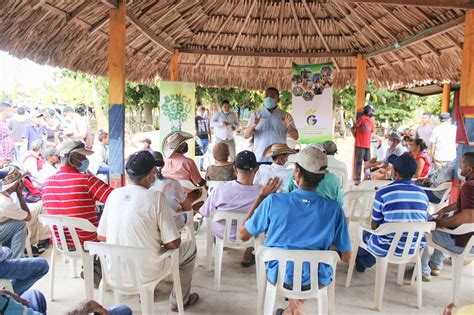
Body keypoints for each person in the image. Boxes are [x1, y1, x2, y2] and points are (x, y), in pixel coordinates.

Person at [239, 145, 351, 315]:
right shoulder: (335, 209)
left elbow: (243, 234)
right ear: (322, 177)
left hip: (279, 274)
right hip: (316, 278)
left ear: (297, 173)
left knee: (288, 264)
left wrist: (261, 197)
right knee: (308, 269)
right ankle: (292, 310)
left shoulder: (273, 202)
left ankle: (291, 311)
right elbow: (347, 257)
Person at [98, 151, 200, 312]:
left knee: (145, 245)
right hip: (146, 271)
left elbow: (101, 235)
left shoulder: (113, 195)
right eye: (153, 172)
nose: (155, 175)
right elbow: (173, 243)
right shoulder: (156, 198)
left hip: (115, 270)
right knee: (190, 249)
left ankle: (145, 292)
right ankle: (179, 299)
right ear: (149, 177)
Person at [355, 153, 429, 272]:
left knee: (365, 232)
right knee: (384, 234)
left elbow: (375, 226)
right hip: (413, 247)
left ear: (395, 171)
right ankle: (364, 259)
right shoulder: (422, 194)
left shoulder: (383, 192)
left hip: (387, 248)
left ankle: (363, 261)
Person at [42, 140, 113, 248]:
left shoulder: (47, 183)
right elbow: (114, 199)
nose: (85, 160)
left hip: (61, 243)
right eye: (82, 156)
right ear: (73, 158)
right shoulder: (87, 180)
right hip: (88, 242)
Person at [200, 150, 262, 266]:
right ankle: (249, 252)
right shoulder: (262, 193)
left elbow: (204, 212)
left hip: (222, 234)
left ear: (235, 169)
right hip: (250, 236)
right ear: (256, 168)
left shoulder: (220, 188)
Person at [421, 152, 474, 281]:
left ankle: (422, 271)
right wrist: (446, 209)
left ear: (469, 169)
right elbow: (465, 205)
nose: (459, 166)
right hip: (469, 240)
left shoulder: (470, 186)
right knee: (444, 223)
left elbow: (469, 216)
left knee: (420, 230)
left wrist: (440, 223)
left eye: (461, 163)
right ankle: (435, 265)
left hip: (462, 243)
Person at [244, 87, 298, 163]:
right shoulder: (256, 115)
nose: (269, 98)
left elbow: (295, 137)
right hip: (260, 158)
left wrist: (289, 126)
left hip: (279, 159)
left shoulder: (285, 115)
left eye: (272, 96)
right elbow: (246, 136)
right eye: (266, 96)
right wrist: (253, 125)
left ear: (278, 100)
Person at [149, 151, 193, 229]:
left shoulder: (142, 186)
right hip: (169, 225)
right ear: (163, 164)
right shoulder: (173, 183)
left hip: (150, 226)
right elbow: (188, 207)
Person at [0, 166, 31, 258]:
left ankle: (11, 257)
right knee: (20, 225)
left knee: (15, 227)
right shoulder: (5, 202)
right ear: (15, 184)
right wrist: (20, 195)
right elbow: (28, 217)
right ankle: (16, 259)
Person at [351, 104, 375, 184]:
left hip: (367, 145)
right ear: (367, 111)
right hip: (360, 144)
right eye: (371, 111)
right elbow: (356, 126)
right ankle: (357, 179)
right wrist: (353, 123)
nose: (372, 113)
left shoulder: (371, 121)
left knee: (368, 163)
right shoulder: (361, 118)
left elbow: (372, 131)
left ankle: (367, 177)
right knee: (359, 162)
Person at [195, 105, 212, 170]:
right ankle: (197, 166)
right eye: (201, 111)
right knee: (200, 153)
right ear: (199, 111)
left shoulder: (207, 118)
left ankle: (201, 167)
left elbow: (209, 128)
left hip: (206, 138)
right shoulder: (196, 118)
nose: (203, 112)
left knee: (204, 154)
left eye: (204, 111)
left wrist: (210, 137)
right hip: (199, 138)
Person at [0, 103, 14, 167]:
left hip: (8, 158)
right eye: (8, 111)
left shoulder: (4, 122)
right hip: (3, 160)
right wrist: (2, 159)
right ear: (4, 111)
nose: (9, 113)